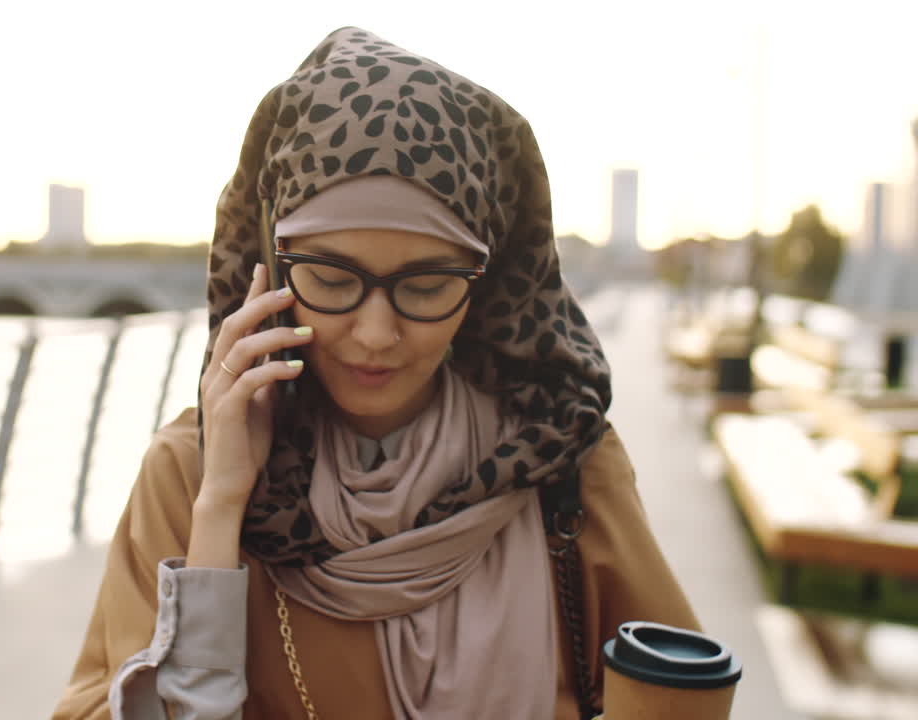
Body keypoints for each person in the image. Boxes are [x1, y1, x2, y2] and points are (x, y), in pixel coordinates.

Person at [53, 27, 698, 720]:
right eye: (331, 278)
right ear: (269, 270)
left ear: (485, 282)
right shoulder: (191, 475)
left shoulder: (561, 464)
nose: (375, 335)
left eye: (425, 286)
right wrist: (220, 514)